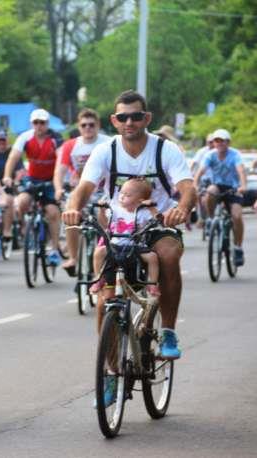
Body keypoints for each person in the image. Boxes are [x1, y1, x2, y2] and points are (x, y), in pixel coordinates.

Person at [62, 89, 195, 361]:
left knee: (169, 255)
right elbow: (85, 187)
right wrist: (73, 208)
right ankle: (110, 370)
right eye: (123, 117)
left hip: (156, 224)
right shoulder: (105, 151)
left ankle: (168, 330)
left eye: (135, 116)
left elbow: (187, 186)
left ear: (146, 118)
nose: (129, 122)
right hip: (119, 227)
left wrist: (181, 208)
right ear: (114, 121)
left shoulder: (165, 149)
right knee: (105, 301)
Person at [54, 108, 111, 275]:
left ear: (98, 125)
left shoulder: (108, 143)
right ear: (78, 127)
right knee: (70, 213)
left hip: (103, 191)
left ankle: (107, 252)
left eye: (91, 125)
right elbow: (59, 171)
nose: (88, 128)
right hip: (81, 191)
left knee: (105, 216)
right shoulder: (70, 146)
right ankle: (73, 257)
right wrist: (58, 189)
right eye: (83, 125)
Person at [2, 108, 62, 266]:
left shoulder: (56, 138)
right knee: (21, 202)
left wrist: (62, 182)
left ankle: (55, 249)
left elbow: (62, 159)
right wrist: (7, 176)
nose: (39, 126)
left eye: (42, 122)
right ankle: (25, 229)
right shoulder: (25, 137)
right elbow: (13, 157)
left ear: (47, 124)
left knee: (53, 212)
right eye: (36, 122)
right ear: (31, 123)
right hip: (32, 179)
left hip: (51, 180)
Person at [90, 178, 161, 298]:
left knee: (153, 257)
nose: (122, 197)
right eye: (121, 193)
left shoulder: (143, 213)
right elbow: (104, 224)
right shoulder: (116, 210)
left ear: (140, 200)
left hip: (136, 247)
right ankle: (99, 279)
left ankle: (152, 283)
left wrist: (151, 208)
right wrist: (102, 211)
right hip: (115, 245)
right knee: (98, 252)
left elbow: (158, 220)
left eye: (127, 195)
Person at [193, 128, 247, 266]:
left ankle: (238, 247)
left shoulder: (235, 154)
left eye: (222, 141)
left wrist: (243, 185)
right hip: (217, 185)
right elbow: (201, 171)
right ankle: (211, 219)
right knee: (210, 191)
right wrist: (194, 185)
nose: (219, 143)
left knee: (237, 216)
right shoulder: (210, 155)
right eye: (216, 141)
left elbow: (241, 170)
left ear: (228, 142)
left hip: (233, 188)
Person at [191, 134, 215, 228]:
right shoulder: (202, 152)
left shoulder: (218, 152)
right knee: (199, 197)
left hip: (214, 179)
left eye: (212, 142)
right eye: (209, 142)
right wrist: (190, 173)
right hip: (203, 179)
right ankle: (201, 217)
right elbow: (195, 163)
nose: (211, 144)